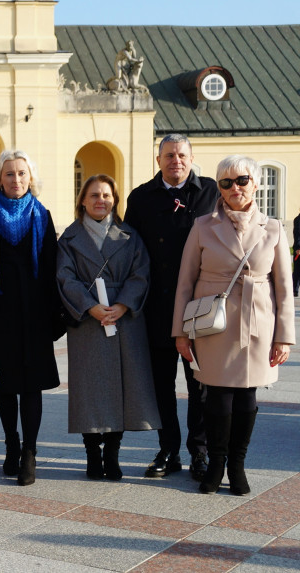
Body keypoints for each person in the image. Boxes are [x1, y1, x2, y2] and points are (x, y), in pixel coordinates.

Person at [173, 155, 294, 495]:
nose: (234, 188)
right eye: (225, 183)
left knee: (246, 398)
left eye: (241, 181)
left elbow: (284, 286)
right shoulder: (203, 226)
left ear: (255, 184)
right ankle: (215, 464)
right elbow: (185, 282)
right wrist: (181, 332)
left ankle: (237, 466)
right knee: (217, 397)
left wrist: (284, 336)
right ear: (219, 189)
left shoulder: (272, 229)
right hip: (214, 323)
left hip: (257, 323)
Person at [125, 133, 218, 481]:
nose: (175, 160)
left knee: (200, 385)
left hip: (200, 307)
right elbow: (129, 252)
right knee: (161, 385)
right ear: (158, 160)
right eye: (168, 155)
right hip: (157, 307)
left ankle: (200, 451)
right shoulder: (141, 197)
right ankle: (168, 448)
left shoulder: (211, 192)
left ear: (191, 158)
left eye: (181, 155)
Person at [56, 174, 161, 481]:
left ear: (115, 199)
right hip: (88, 320)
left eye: (106, 195)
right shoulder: (69, 239)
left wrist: (124, 305)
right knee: (89, 390)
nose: (100, 200)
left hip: (123, 318)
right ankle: (92, 453)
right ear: (83, 200)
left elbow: (141, 274)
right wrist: (90, 306)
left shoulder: (131, 236)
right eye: (94, 195)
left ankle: (112, 454)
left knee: (120, 387)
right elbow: (65, 277)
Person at [0, 149, 62, 486]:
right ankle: (11, 443)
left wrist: (55, 316)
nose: (16, 180)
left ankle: (30, 452)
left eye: (22, 173)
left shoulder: (43, 216)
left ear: (31, 178)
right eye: (9, 174)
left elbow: (52, 267)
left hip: (35, 314)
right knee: (4, 386)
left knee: (33, 386)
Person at [292, 209, 300, 297]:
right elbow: (297, 234)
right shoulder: (298, 220)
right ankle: (295, 290)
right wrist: (298, 247)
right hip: (299, 250)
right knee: (297, 271)